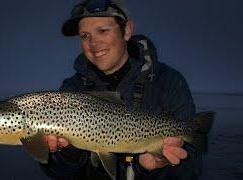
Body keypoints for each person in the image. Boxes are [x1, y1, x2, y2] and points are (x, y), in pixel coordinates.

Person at [40, 0, 202, 179]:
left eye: (102, 31)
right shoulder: (71, 90)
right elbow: (57, 172)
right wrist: (68, 152)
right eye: (85, 36)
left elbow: (192, 169)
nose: (93, 43)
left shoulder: (169, 82)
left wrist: (155, 168)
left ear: (127, 31)